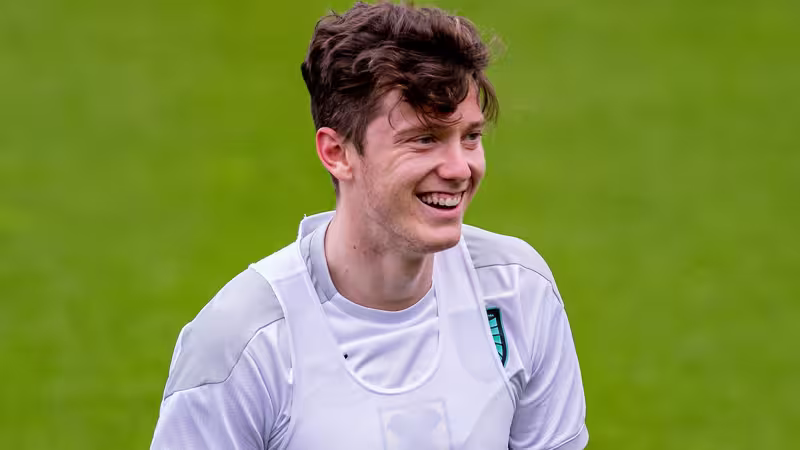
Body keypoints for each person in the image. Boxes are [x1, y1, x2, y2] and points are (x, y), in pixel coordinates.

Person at [151, 2, 588, 449]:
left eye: (470, 136)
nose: (460, 169)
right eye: (424, 139)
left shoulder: (518, 291)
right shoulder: (242, 343)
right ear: (337, 153)